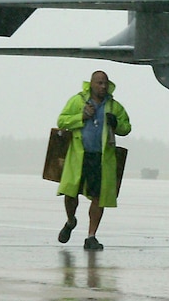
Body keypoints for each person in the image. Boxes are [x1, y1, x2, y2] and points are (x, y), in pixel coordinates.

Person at [56, 71, 130, 251]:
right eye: (99, 83)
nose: (103, 86)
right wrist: (80, 117)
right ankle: (70, 221)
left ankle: (91, 236)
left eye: (105, 83)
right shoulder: (78, 101)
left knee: (99, 197)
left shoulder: (114, 107)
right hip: (79, 156)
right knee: (70, 193)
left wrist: (116, 124)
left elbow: (126, 128)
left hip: (102, 158)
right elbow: (61, 121)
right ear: (91, 84)